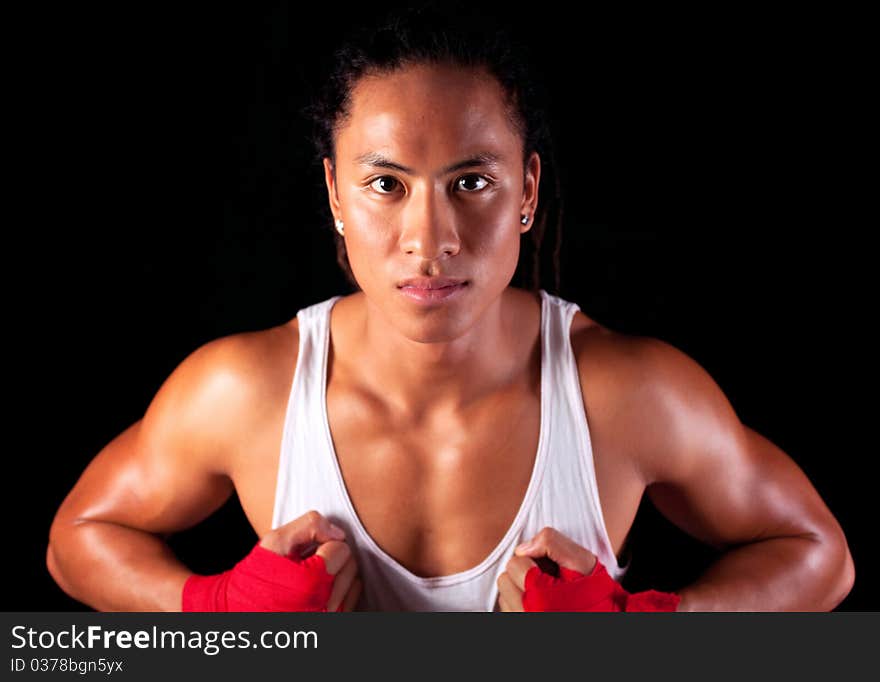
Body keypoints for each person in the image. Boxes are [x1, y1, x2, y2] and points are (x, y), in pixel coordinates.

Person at [47, 3, 854, 612]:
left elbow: (820, 555)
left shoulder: (625, 393)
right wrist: (216, 614)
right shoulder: (247, 392)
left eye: (471, 183)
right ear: (334, 193)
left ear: (528, 190)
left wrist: (650, 632)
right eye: (385, 185)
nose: (429, 240)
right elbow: (75, 540)